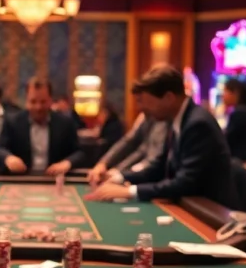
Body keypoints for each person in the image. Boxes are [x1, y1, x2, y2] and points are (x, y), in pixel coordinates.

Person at [85, 64, 237, 206]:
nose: (142, 108)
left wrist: (129, 191)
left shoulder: (197, 123)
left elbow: (185, 182)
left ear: (168, 98)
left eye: (146, 102)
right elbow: (159, 167)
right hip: (191, 203)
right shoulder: (176, 119)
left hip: (210, 212)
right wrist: (119, 178)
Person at [0, 77, 86, 175]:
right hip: (22, 179)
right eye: (33, 102)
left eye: (43, 102)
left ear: (50, 100)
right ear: (26, 100)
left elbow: (79, 153)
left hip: (53, 180)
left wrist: (67, 163)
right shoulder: (12, 121)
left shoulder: (65, 123)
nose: (38, 107)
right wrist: (8, 158)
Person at [86, 104, 169, 185]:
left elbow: (150, 158)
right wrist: (103, 164)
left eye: (140, 100)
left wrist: (121, 174)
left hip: (156, 184)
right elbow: (130, 143)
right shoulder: (147, 115)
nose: (138, 107)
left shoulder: (162, 118)